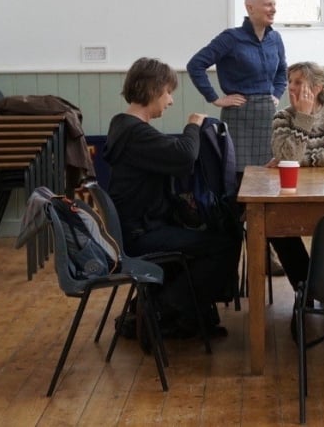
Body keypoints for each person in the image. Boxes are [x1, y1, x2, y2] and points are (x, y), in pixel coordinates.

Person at [102, 57, 239, 338]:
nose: (171, 101)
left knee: (212, 233)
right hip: (140, 235)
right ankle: (164, 308)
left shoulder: (126, 128)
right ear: (153, 90)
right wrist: (193, 125)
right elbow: (184, 157)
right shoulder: (133, 132)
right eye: (168, 92)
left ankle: (186, 313)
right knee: (224, 242)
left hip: (139, 228)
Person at [267, 61, 324, 301]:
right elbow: (287, 158)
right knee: (278, 229)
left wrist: (302, 158)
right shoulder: (282, 117)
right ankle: (306, 287)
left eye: (298, 82)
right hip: (294, 195)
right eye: (290, 82)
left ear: (316, 88)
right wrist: (304, 118)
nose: (291, 87)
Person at [187, 0, 288, 170]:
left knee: (268, 170)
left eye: (274, 5)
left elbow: (282, 71)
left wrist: (277, 94)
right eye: (268, 5)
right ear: (250, 8)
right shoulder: (230, 38)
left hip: (268, 113)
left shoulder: (276, 38)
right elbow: (195, 65)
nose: (273, 9)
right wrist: (215, 98)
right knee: (236, 171)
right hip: (238, 114)